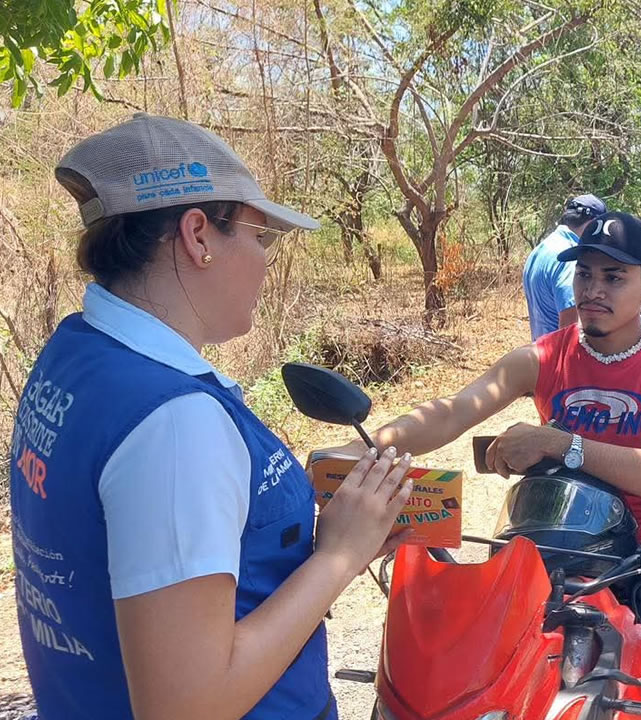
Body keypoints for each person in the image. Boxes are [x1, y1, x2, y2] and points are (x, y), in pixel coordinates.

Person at [9, 113, 413, 720]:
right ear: (198, 235)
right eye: (260, 236)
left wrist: (308, 540)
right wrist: (340, 557)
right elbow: (186, 705)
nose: (265, 260)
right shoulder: (175, 423)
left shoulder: (75, 354)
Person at [345, 212, 641, 720]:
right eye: (584, 274)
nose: (593, 290)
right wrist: (359, 450)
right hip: (556, 547)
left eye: (613, 277)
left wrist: (556, 443)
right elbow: (450, 412)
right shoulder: (542, 357)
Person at [522, 193, 606, 339]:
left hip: (540, 347)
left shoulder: (540, 249)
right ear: (593, 224)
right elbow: (570, 329)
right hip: (558, 350)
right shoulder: (570, 258)